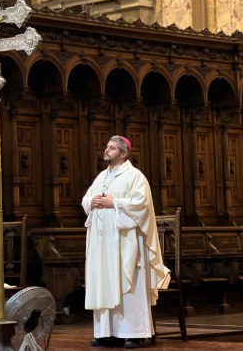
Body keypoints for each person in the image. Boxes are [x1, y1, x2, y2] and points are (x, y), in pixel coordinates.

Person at [82, 136, 170, 349]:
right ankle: (108, 332)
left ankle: (135, 333)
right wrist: (92, 201)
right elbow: (86, 199)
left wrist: (115, 203)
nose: (106, 150)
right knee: (105, 280)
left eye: (112, 148)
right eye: (107, 147)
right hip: (103, 243)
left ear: (123, 154)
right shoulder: (102, 176)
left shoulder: (135, 176)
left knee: (130, 281)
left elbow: (142, 205)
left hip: (126, 241)